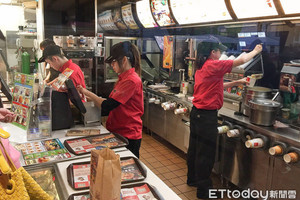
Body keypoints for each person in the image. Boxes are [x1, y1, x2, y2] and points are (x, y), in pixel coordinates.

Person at [187, 41, 262, 199]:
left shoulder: (202, 66)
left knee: (195, 149)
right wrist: (255, 50)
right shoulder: (213, 64)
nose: (220, 54)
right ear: (213, 52)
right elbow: (241, 61)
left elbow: (217, 85)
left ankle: (192, 179)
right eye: (219, 51)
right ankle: (204, 190)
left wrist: (238, 82)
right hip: (206, 116)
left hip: (197, 114)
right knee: (205, 153)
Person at [77, 41, 144, 158]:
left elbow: (108, 106)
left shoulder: (131, 80)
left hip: (128, 133)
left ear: (124, 60)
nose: (112, 66)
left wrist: (86, 92)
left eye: (113, 62)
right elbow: (111, 102)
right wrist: (91, 98)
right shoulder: (123, 78)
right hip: (118, 130)